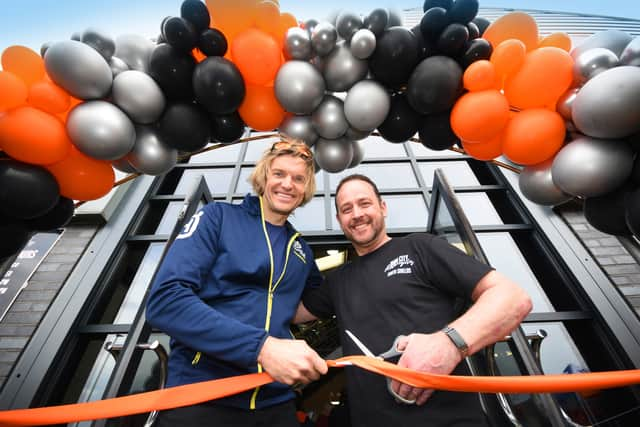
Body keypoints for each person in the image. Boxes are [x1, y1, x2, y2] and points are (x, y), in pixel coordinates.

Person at [295, 174, 533, 427]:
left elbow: (512, 298)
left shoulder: (419, 247)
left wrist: (449, 343)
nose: (356, 214)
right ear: (340, 220)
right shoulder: (338, 281)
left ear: (382, 207)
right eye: (346, 209)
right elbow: (287, 313)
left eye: (364, 203)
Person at [146, 137, 328, 427]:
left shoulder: (301, 250)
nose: (287, 184)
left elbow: (314, 303)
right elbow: (166, 301)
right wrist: (262, 348)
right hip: (202, 395)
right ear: (263, 176)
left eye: (298, 178)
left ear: (306, 188)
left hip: (275, 402)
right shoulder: (217, 217)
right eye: (279, 174)